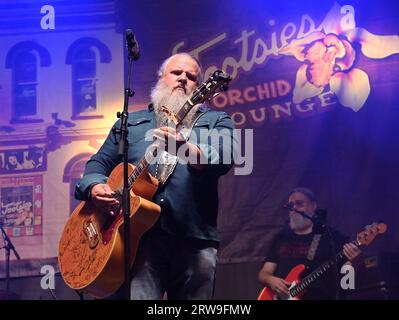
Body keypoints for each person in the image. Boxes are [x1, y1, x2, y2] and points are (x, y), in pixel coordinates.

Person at [74, 53, 235, 299]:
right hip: (138, 241)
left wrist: (184, 149)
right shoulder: (130, 123)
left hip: (194, 239)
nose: (183, 79)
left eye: (191, 77)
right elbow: (98, 163)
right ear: (161, 78)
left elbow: (225, 157)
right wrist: (94, 186)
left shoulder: (215, 120)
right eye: (176, 73)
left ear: (201, 87)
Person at [258, 187, 361, 300]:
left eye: (300, 203)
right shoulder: (280, 238)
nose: (295, 208)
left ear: (313, 206)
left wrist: (356, 262)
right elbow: (264, 273)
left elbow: (349, 281)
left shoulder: (333, 238)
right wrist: (271, 280)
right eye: (291, 205)